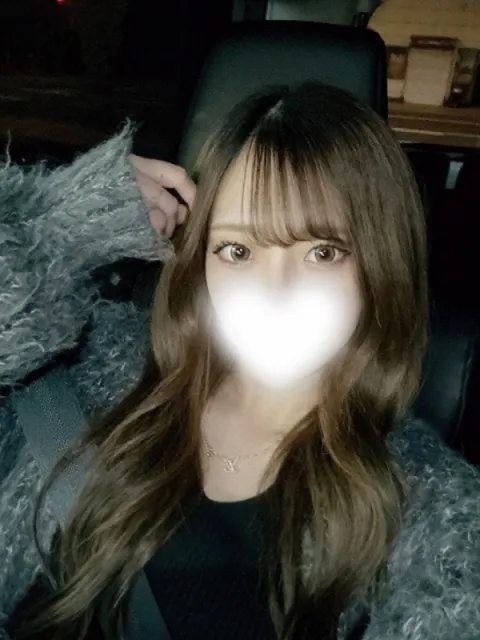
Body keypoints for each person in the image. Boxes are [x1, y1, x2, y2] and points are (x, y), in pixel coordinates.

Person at [0, 83, 479, 640]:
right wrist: (58, 228)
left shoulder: (435, 513)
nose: (274, 290)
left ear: (382, 265)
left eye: (322, 252)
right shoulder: (87, 364)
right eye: (238, 250)